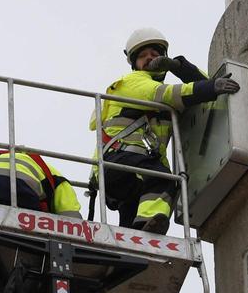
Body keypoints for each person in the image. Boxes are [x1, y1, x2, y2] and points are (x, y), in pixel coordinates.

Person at [90, 27, 240, 233]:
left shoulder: (164, 105)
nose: (149, 59)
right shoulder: (132, 82)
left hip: (133, 170)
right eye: (143, 56)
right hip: (121, 162)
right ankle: (148, 228)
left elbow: (204, 89)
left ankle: (133, 254)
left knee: (133, 213)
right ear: (134, 64)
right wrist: (210, 88)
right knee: (165, 181)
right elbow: (167, 93)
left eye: (154, 54)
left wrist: (178, 66)